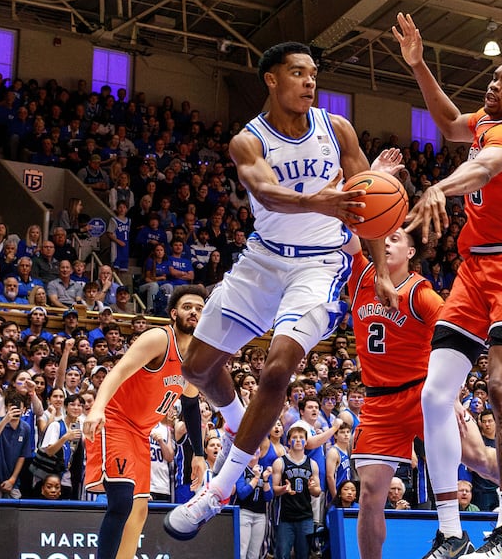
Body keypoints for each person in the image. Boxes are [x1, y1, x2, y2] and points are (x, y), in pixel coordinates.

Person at [164, 41, 399, 541]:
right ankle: (235, 424)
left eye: (314, 73)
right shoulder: (247, 141)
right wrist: (322, 199)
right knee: (197, 367)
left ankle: (218, 490)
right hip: (262, 259)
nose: (310, 82)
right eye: (298, 73)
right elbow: (268, 192)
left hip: (319, 267)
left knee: (276, 370)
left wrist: (380, 268)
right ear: (271, 79)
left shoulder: (337, 130)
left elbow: (368, 207)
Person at [394, 13, 502, 558]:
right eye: (494, 77)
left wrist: (440, 186)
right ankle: (450, 531)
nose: (494, 84)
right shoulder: (486, 121)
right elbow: (447, 124)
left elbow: (483, 167)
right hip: (473, 270)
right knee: (435, 395)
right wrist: (418, 65)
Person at [344, 225, 502, 559]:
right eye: (385, 238)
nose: (387, 243)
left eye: (396, 239)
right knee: (369, 495)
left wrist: (451, 395)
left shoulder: (421, 293)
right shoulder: (361, 274)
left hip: (424, 394)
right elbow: (348, 231)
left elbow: (457, 341)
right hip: (379, 401)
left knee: (479, 459)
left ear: (411, 253)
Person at [82, 285, 208, 559]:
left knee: (139, 511)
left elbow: (190, 404)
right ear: (174, 313)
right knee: (122, 502)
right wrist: (97, 409)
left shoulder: (196, 356)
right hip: (115, 420)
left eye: (199, 309)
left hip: (141, 433)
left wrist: (198, 454)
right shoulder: (158, 339)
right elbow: (118, 371)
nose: (194, 312)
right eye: (188, 307)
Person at [271, 425, 322, 559]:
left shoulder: (312, 464)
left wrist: (312, 488)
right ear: (288, 441)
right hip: (284, 517)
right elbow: (274, 490)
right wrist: (283, 489)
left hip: (305, 516)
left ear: (306, 442)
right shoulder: (280, 462)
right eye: (294, 438)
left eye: (301, 438)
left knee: (303, 554)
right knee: (282, 555)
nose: (298, 440)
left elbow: (318, 491)